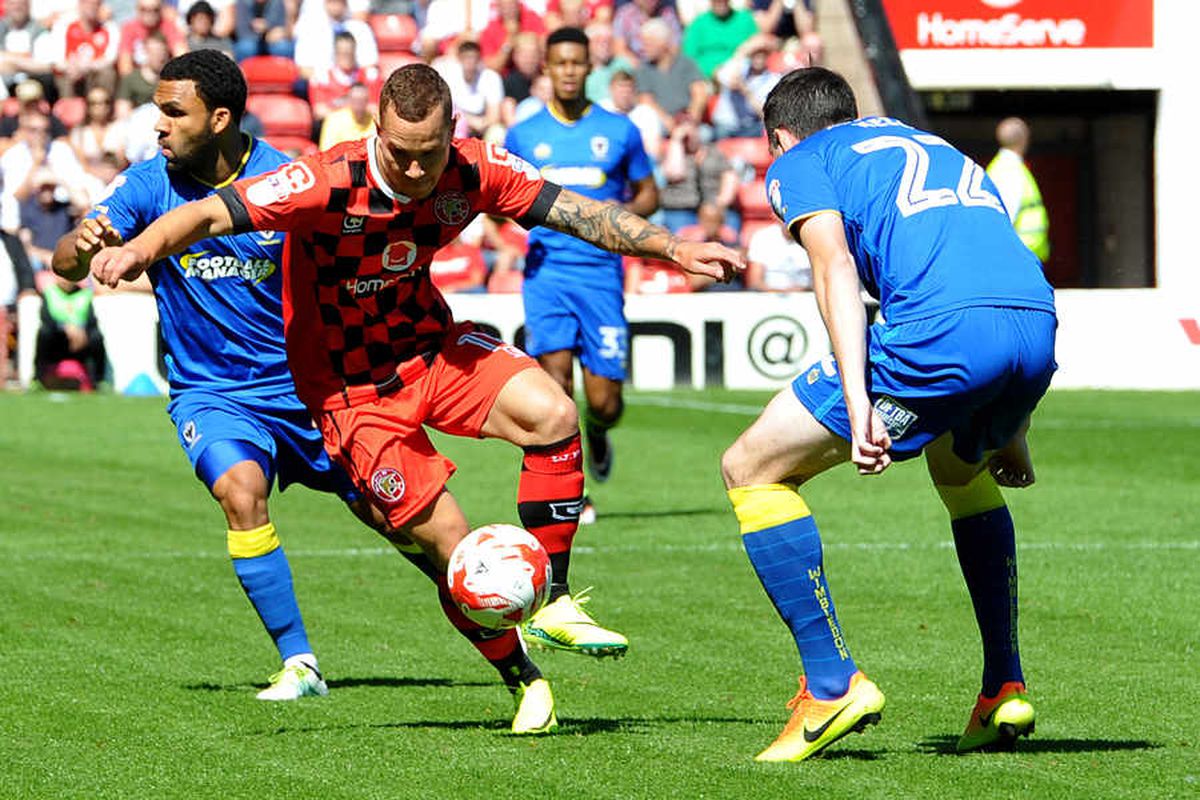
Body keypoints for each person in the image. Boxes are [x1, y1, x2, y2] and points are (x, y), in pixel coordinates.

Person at [87, 63, 741, 677]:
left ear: (452, 134)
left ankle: (555, 599)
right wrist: (141, 248)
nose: (413, 167)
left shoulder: (475, 170)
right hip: (350, 393)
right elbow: (207, 211)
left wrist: (674, 247)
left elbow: (580, 212)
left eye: (429, 152)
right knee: (453, 553)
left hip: (430, 349)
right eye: (399, 150)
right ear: (378, 130)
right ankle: (518, 675)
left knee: (555, 413)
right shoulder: (323, 179)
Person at [52, 51, 564, 735]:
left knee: (426, 538)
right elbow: (64, 267)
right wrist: (82, 246)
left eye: (174, 111)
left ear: (221, 117)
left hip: (317, 388)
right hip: (215, 394)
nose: (159, 125)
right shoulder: (147, 185)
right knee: (240, 491)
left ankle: (517, 669)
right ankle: (299, 662)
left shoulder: (285, 178)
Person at [720, 67, 1056, 762]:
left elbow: (833, 267)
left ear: (780, 136)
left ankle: (831, 683)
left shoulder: (801, 160)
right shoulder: (936, 146)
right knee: (959, 471)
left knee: (751, 467)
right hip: (1037, 326)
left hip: (942, 333)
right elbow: (993, 260)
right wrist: (1014, 427)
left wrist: (856, 399)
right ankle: (1004, 686)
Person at [505, 27, 658, 524]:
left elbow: (650, 194)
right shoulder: (524, 135)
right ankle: (576, 492)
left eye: (577, 63)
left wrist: (622, 213)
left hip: (601, 276)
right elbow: (504, 198)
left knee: (605, 400)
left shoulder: (620, 130)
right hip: (547, 275)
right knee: (553, 386)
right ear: (545, 69)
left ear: (590, 68)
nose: (569, 71)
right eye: (560, 63)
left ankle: (598, 432)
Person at [987, 116, 1049, 264]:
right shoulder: (1010, 171)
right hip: (1018, 257)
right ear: (1024, 139)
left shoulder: (998, 168)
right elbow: (1006, 216)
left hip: (1019, 256)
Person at [35, 271, 106, 389]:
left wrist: (80, 331)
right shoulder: (49, 293)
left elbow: (92, 322)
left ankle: (98, 380)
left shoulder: (85, 295)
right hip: (57, 341)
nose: (66, 279)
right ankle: (38, 378)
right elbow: (46, 319)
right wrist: (65, 328)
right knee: (44, 333)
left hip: (80, 343)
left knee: (96, 337)